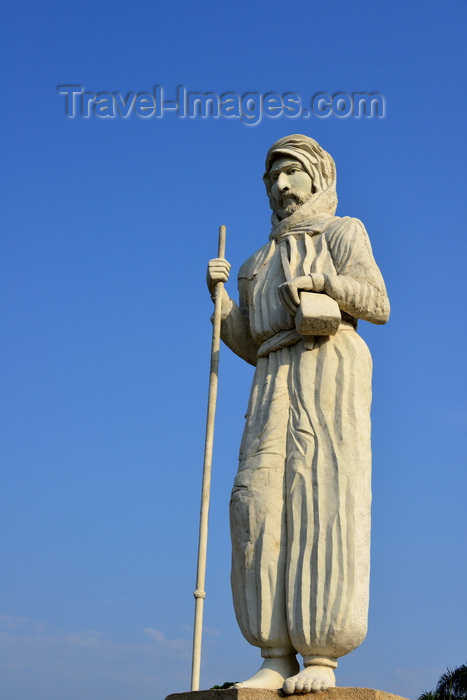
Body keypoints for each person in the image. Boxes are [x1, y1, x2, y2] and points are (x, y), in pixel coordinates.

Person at [206, 135, 390, 695]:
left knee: (322, 500)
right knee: (256, 506)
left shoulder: (343, 232)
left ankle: (321, 653)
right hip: (270, 379)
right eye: (271, 179)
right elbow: (249, 341)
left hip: (328, 371)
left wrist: (323, 283)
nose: (280, 187)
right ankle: (274, 652)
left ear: (316, 177)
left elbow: (377, 303)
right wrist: (221, 303)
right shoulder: (255, 261)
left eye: (290, 174)